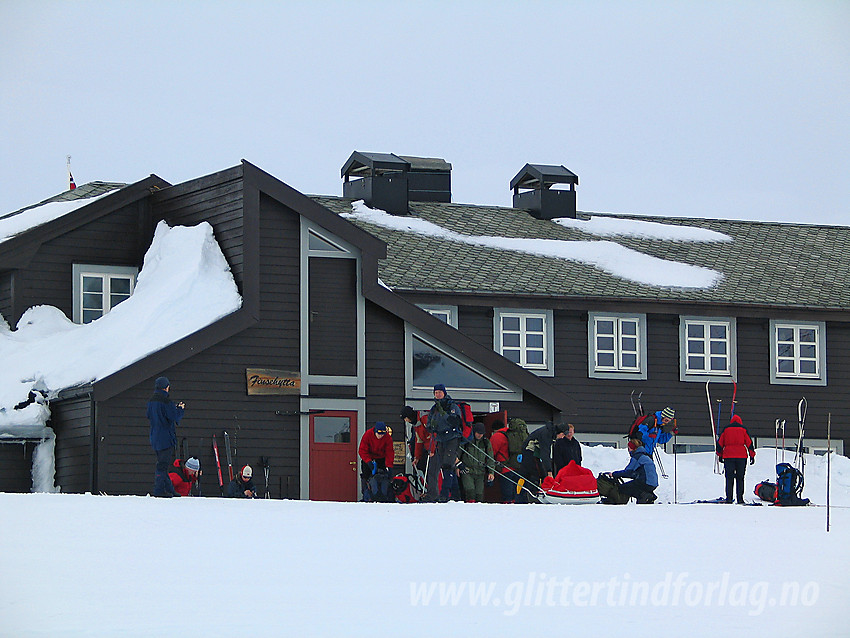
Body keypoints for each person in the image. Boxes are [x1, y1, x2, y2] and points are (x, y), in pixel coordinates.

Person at [146, 376, 185, 497]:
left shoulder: (151, 401)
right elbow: (174, 416)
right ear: (166, 387)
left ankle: (170, 489)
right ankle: (158, 491)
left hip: (155, 437)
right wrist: (180, 409)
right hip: (166, 438)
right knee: (162, 465)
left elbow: (149, 416)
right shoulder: (166, 401)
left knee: (163, 463)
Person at [427, 383, 465, 502]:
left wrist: (445, 415)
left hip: (452, 437)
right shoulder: (434, 408)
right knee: (445, 465)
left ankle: (444, 494)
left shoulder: (451, 406)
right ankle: (455, 494)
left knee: (448, 464)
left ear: (444, 393)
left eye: (440, 392)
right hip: (440, 438)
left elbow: (455, 421)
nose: (438, 395)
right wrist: (431, 427)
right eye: (436, 393)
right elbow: (429, 424)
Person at [517, 422, 570, 503]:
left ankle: (524, 497)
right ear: (559, 432)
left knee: (533, 474)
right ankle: (533, 498)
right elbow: (545, 453)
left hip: (534, 453)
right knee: (537, 474)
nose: (562, 437)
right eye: (562, 435)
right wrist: (549, 471)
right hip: (530, 452)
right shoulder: (546, 434)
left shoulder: (550, 432)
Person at [606, 431, 658, 504]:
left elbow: (628, 472)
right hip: (653, 483)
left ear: (632, 448)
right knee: (633, 485)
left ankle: (644, 495)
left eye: (629, 448)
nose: (628, 450)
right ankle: (650, 496)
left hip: (645, 483)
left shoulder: (637, 457)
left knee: (624, 488)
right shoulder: (645, 456)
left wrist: (614, 474)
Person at [401, 405, 438, 502]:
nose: (406, 421)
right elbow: (419, 440)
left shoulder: (424, 418)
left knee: (432, 472)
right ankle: (428, 492)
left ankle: (433, 495)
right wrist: (417, 457)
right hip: (427, 449)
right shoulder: (416, 425)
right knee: (424, 469)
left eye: (405, 418)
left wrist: (432, 450)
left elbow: (433, 434)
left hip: (435, 449)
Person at [717, 414, 756, 504]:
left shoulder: (726, 429)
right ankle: (740, 499)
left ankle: (729, 498)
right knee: (740, 478)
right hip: (741, 457)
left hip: (728, 456)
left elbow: (720, 443)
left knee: (729, 478)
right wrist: (752, 455)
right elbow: (749, 443)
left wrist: (720, 455)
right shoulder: (743, 429)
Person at [458, 422, 495, 502]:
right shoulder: (467, 441)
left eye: (481, 434)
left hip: (480, 472)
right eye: (478, 433)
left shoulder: (486, 442)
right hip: (467, 470)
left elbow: (490, 458)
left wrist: (491, 472)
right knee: (470, 492)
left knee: (479, 495)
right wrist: (457, 466)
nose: (480, 435)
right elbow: (458, 454)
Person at [358, 421, 394, 501]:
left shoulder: (387, 438)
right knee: (366, 476)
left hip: (381, 458)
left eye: (382, 434)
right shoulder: (367, 435)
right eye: (379, 434)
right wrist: (368, 461)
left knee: (384, 475)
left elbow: (389, 452)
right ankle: (367, 495)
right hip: (369, 458)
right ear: (375, 431)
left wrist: (389, 465)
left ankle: (383, 495)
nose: (380, 436)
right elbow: (362, 450)